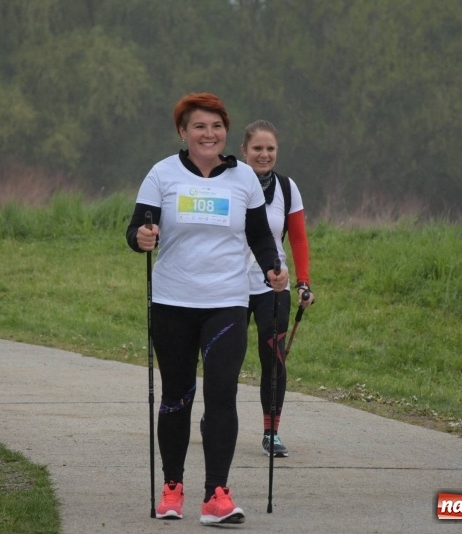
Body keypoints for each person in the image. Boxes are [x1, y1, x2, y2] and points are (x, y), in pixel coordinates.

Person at [126, 93, 288, 525]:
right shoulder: (162, 174)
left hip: (226, 304)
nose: (209, 134)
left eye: (216, 127)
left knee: (222, 396)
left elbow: (260, 236)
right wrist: (142, 237)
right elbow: (136, 228)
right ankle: (172, 488)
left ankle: (216, 494)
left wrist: (274, 268)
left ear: (226, 134)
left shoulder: (243, 180)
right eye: (199, 126)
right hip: (172, 303)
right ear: (183, 132)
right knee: (176, 397)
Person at [241, 119, 315, 458]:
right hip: (229, 287)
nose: (264, 154)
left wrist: (303, 282)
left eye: (270, 149)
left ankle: (272, 433)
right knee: (224, 360)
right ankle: (217, 418)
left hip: (274, 287)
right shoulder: (230, 183)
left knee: (274, 361)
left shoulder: (287, 188)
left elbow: (298, 237)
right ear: (244, 151)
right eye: (257, 148)